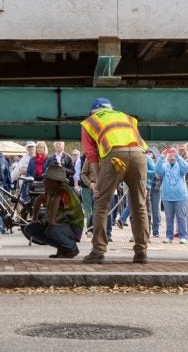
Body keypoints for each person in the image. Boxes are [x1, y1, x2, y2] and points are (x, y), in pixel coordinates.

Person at [79, 97, 149, 264]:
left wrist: (98, 182)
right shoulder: (127, 118)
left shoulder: (90, 122)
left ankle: (98, 251)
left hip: (115, 156)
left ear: (92, 112)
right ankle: (141, 252)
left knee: (102, 204)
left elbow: (92, 156)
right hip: (139, 155)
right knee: (139, 205)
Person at [25, 161, 87, 258]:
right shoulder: (51, 190)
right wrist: (35, 219)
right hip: (62, 225)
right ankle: (62, 249)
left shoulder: (63, 190)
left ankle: (72, 248)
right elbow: (38, 200)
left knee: (52, 230)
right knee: (30, 229)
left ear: (53, 181)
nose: (44, 181)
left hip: (73, 227)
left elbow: (57, 199)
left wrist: (52, 220)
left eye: (46, 179)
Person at [156, 146, 188, 244]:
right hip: (167, 196)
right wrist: (161, 157)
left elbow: (186, 168)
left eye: (173, 155)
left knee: (181, 217)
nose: (172, 157)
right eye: (170, 155)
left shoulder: (180, 165)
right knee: (169, 217)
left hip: (180, 196)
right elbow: (157, 170)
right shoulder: (164, 166)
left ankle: (183, 236)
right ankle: (169, 236)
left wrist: (178, 156)